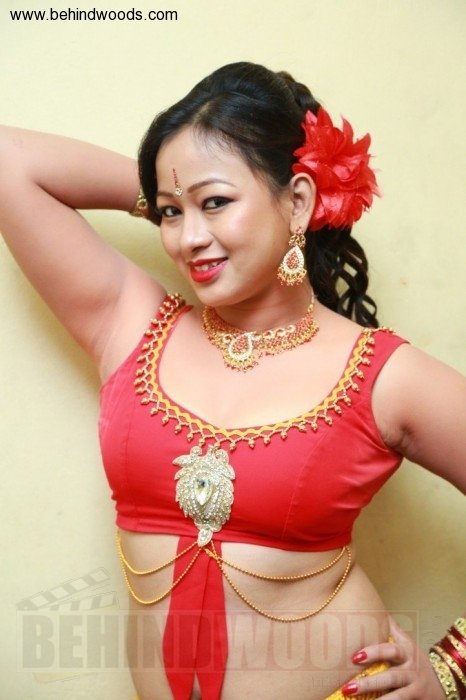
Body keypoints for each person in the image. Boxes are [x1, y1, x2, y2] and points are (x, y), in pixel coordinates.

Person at [1, 61, 464, 700]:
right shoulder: (131, 325)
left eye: (216, 202)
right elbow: (9, 160)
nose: (188, 239)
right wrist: (182, 188)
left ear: (297, 200)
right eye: (170, 214)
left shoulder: (384, 375)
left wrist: (451, 668)